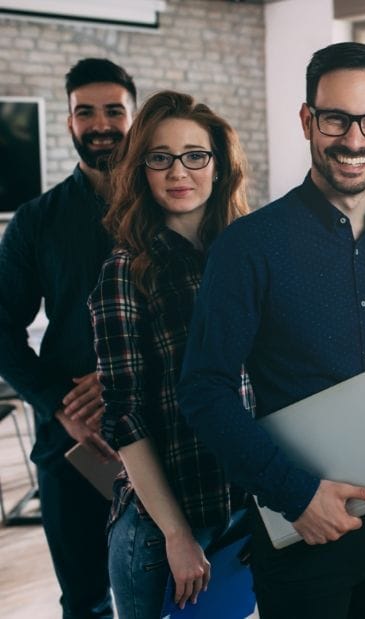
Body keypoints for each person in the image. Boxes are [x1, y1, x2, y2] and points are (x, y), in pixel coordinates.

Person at [176, 42, 365, 619]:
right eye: (336, 118)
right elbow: (203, 389)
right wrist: (295, 494)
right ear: (308, 119)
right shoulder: (248, 246)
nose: (355, 140)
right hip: (301, 528)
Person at [88, 90, 253, 617]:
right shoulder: (125, 270)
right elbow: (124, 416)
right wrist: (178, 535)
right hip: (165, 531)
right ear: (142, 169)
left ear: (218, 165)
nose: (179, 171)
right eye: (161, 157)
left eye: (195, 155)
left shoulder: (245, 256)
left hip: (245, 505)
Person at [0, 58, 135, 619]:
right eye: (86, 112)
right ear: (69, 123)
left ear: (135, 117)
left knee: (185, 587)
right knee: (86, 600)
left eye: (113, 110)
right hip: (73, 445)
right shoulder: (35, 220)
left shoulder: (172, 206)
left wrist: (126, 376)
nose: (100, 123)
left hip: (170, 430)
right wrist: (61, 405)